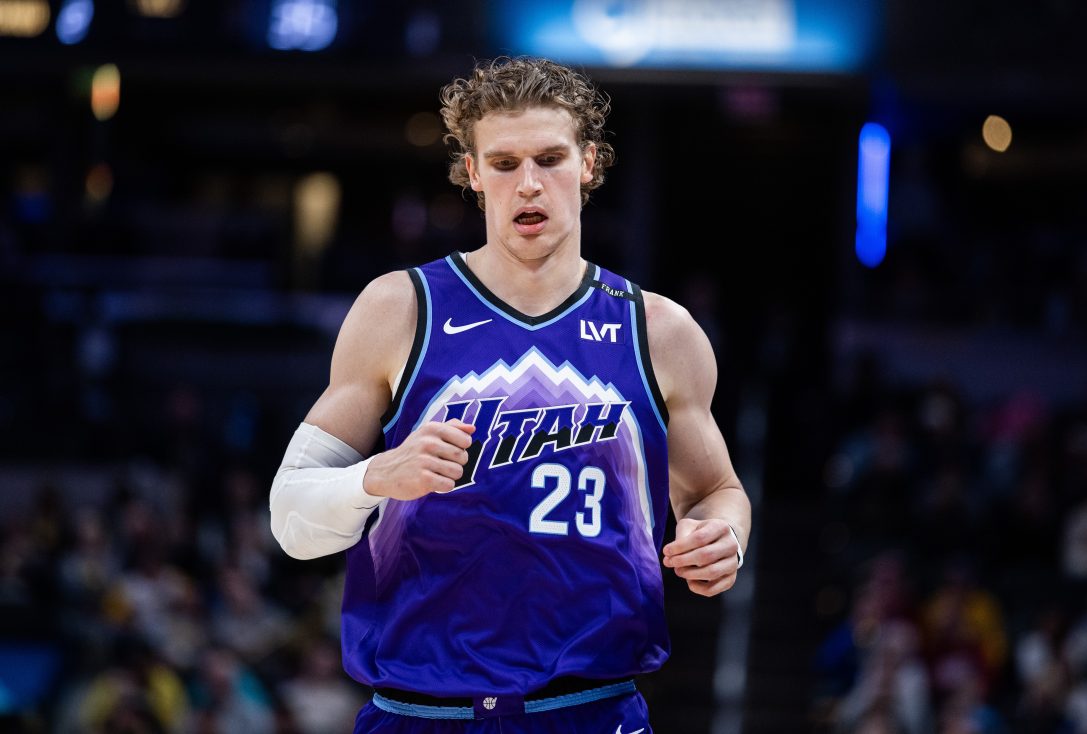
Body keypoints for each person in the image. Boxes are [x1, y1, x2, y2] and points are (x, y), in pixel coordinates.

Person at [268, 55, 752, 733]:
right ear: (472, 173)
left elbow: (714, 491)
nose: (529, 184)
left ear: (588, 163)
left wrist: (723, 534)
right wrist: (377, 477)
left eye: (550, 158)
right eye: (503, 163)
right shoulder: (400, 309)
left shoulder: (659, 330)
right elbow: (291, 520)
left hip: (591, 707)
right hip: (421, 711)